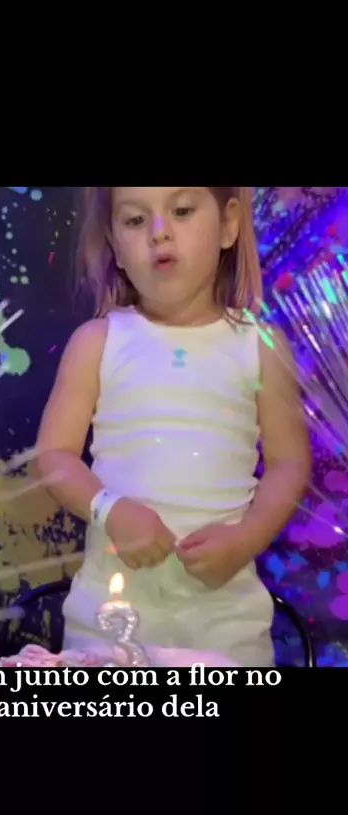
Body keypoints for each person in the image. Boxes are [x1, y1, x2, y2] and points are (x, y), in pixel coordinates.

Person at [35, 187, 312, 666]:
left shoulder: (260, 346)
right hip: (108, 620)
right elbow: (53, 457)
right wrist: (110, 510)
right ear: (114, 244)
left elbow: (289, 464)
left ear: (228, 225)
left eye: (181, 211)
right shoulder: (97, 342)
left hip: (226, 626)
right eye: (135, 221)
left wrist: (245, 539)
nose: (159, 233)